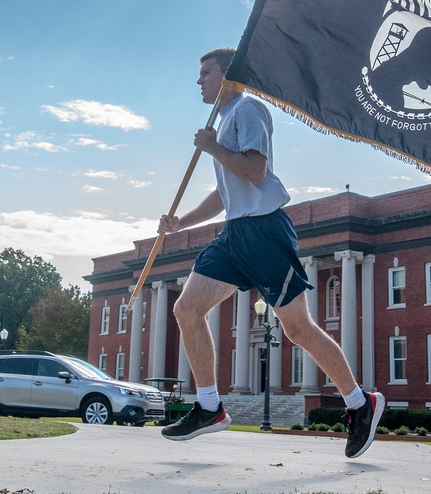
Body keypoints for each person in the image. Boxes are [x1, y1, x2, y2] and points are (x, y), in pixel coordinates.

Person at [158, 48, 385, 459]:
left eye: (205, 72)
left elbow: (254, 171)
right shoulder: (225, 120)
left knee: (298, 329)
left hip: (265, 231)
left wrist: (211, 148)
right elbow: (227, 192)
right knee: (186, 310)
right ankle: (209, 406)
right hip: (234, 233)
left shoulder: (248, 110)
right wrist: (182, 223)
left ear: (229, 75)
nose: (199, 81)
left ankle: (359, 402)